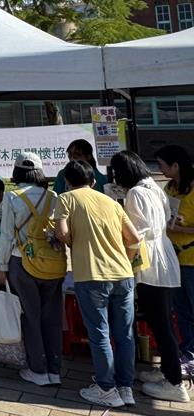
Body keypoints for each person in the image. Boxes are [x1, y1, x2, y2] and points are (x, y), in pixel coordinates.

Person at [55, 159, 141, 408]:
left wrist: (73, 241)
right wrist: (127, 259)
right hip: (123, 275)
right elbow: (134, 238)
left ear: (68, 182)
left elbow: (61, 233)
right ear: (93, 181)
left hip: (91, 276)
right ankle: (126, 388)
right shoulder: (111, 202)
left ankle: (106, 388)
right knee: (124, 334)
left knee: (100, 333)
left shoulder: (66, 199)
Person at [109, 150, 188, 403]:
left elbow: (136, 234)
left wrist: (124, 260)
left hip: (150, 262)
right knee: (162, 320)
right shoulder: (155, 186)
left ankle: (175, 383)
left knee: (161, 324)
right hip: (165, 256)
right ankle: (167, 371)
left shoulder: (135, 193)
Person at [0, 153, 65, 387]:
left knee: (30, 316)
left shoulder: (12, 197)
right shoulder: (53, 196)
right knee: (52, 317)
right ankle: (54, 369)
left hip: (21, 261)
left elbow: (6, 236)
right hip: (53, 263)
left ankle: (37, 369)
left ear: (17, 172)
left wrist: (1, 266)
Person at [159, 145, 194, 366]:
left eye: (163, 165)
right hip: (173, 257)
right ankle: (188, 351)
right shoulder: (168, 189)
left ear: (176, 165)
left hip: (191, 258)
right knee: (180, 309)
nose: (160, 169)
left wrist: (181, 228)